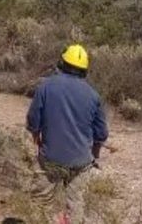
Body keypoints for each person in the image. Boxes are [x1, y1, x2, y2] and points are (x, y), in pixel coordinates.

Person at [25, 44, 108, 224]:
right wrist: (94, 156)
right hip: (81, 162)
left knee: (41, 202)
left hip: (50, 158)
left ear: (62, 63)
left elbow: (33, 120)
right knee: (75, 205)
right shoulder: (93, 95)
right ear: (84, 70)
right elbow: (101, 134)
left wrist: (36, 138)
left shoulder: (46, 87)